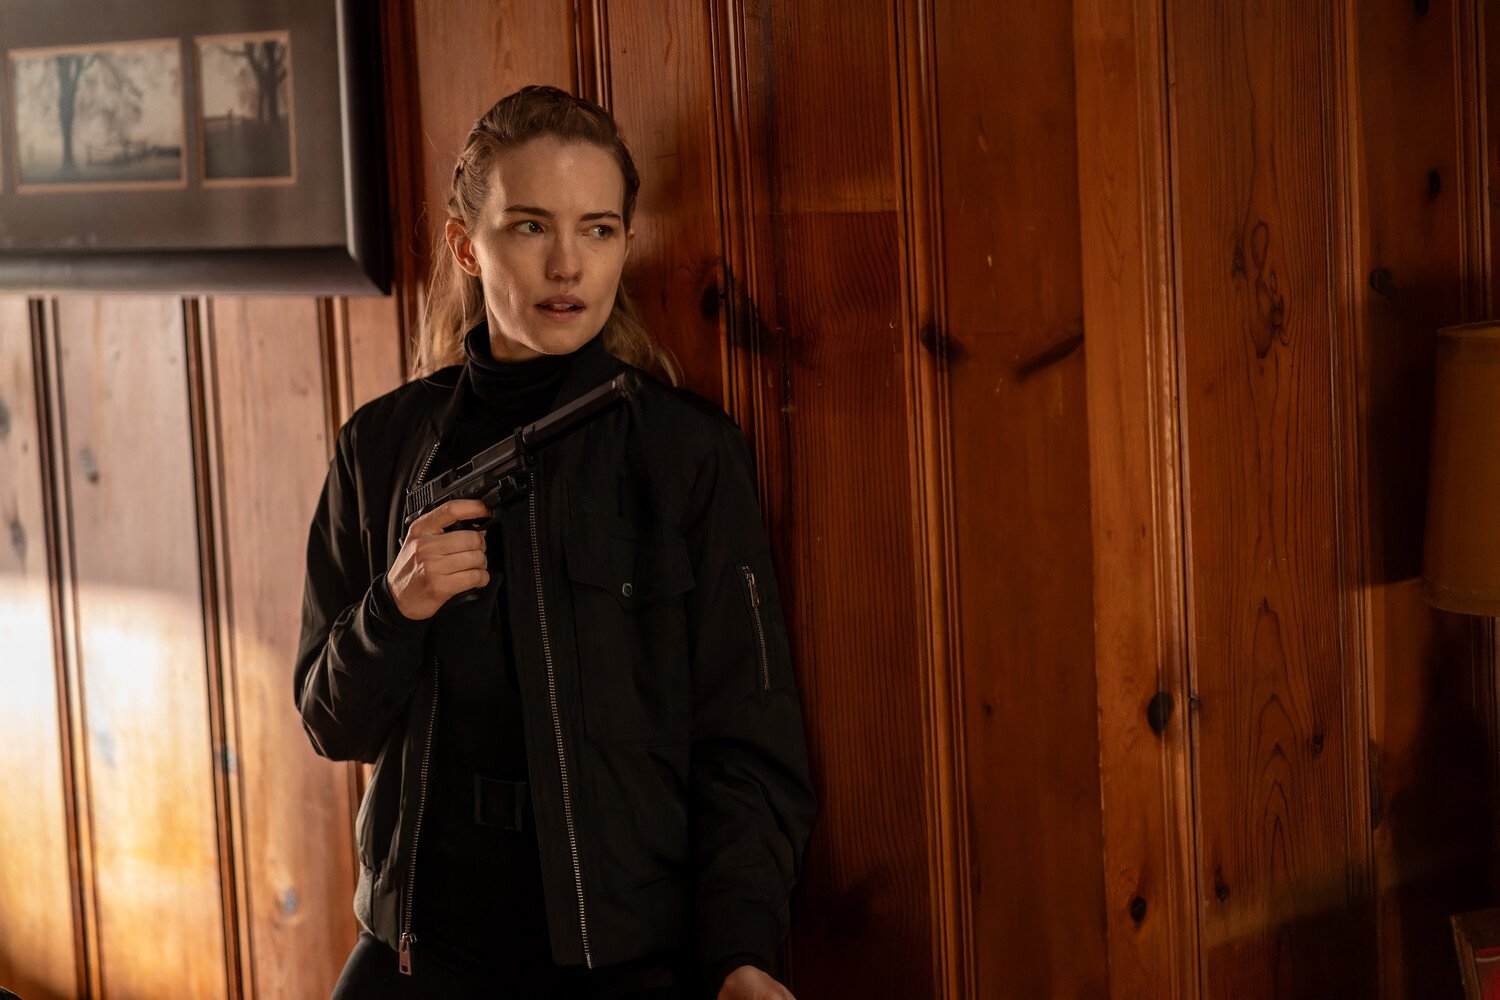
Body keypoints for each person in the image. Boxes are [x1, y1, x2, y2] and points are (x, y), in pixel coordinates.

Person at [294, 85, 817, 999]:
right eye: (531, 226)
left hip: (617, 968)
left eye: (599, 229)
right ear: (467, 246)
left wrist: (740, 953)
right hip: (416, 956)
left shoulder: (687, 454)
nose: (568, 264)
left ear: (625, 241)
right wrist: (396, 606)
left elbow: (748, 743)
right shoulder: (378, 448)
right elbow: (330, 721)